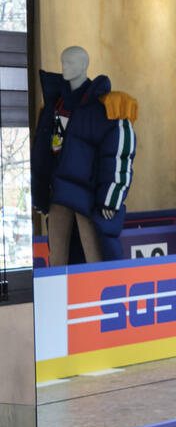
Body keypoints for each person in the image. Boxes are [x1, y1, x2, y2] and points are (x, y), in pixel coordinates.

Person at [31, 46, 137, 265]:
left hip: (87, 197)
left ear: (84, 65)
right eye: (63, 62)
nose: (64, 67)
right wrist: (39, 192)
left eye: (70, 62)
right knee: (57, 259)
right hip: (58, 192)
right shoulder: (52, 105)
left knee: (96, 259)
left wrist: (111, 198)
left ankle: (99, 289)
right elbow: (41, 153)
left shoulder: (106, 107)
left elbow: (116, 155)